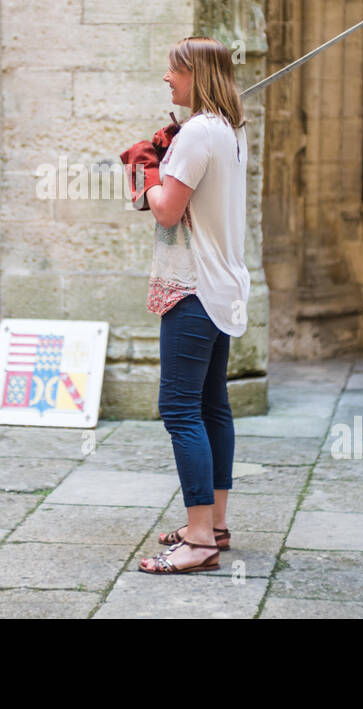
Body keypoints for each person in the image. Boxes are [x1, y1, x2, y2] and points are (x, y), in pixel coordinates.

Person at [123, 37, 250, 574]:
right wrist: (169, 151)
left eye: (173, 71)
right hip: (220, 286)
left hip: (193, 288)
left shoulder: (200, 131)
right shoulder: (228, 129)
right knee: (212, 407)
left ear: (195, 73)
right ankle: (214, 523)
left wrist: (146, 168)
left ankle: (198, 541)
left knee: (180, 410)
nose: (166, 79)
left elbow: (168, 211)